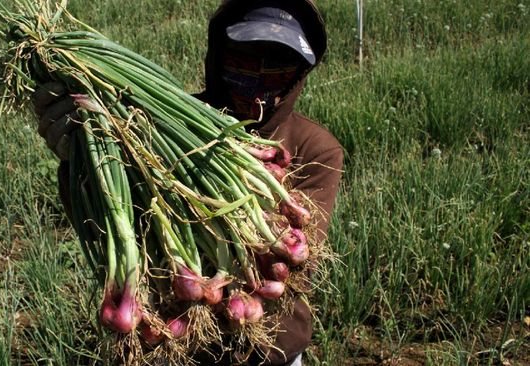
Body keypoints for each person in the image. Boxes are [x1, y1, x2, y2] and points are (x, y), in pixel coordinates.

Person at [33, 0, 343, 364]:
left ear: (299, 73)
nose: (258, 74)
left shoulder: (315, 148)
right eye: (245, 56)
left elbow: (284, 265)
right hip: (182, 348)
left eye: (276, 62)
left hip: (273, 349)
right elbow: (104, 222)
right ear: (219, 54)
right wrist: (80, 160)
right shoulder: (152, 125)